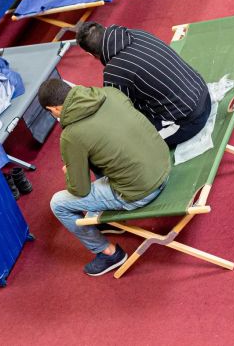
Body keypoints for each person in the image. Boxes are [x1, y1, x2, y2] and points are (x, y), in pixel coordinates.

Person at [39, 79, 171, 276]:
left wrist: (71, 170)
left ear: (54, 109)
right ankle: (106, 219)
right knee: (97, 155)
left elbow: (80, 189)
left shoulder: (71, 135)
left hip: (142, 190)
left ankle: (109, 253)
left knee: (58, 204)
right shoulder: (110, 93)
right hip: (162, 164)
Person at [76, 21, 211, 148]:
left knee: (129, 138)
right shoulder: (136, 33)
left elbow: (119, 112)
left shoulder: (114, 72)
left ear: (90, 54)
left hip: (190, 121)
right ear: (105, 30)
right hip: (202, 91)